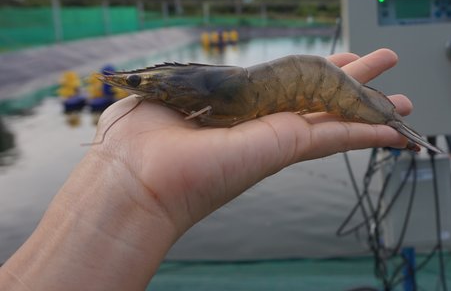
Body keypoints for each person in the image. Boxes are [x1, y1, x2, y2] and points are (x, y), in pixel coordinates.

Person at [0, 49, 413, 290]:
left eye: (142, 85)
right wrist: (126, 177)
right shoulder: (185, 88)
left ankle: (386, 117)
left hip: (309, 82)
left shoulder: (201, 92)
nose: (137, 88)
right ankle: (389, 118)